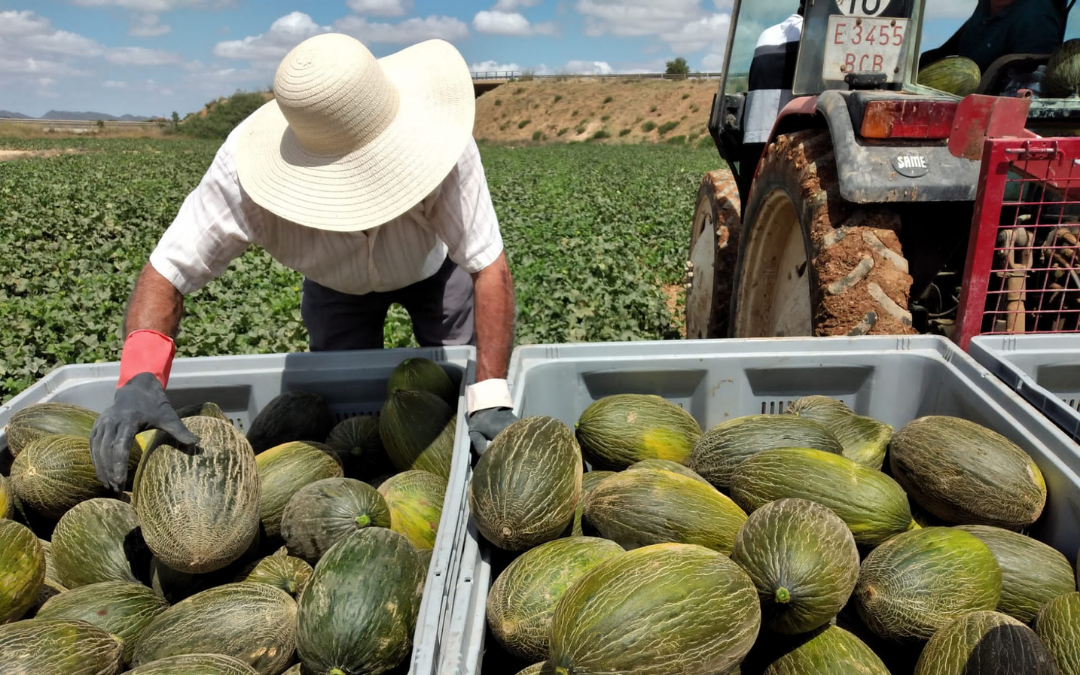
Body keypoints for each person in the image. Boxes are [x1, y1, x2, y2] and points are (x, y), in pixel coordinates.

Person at [88, 33, 519, 490]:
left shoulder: (441, 139)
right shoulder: (241, 176)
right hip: (335, 289)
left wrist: (490, 395)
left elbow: (489, 267)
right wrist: (140, 374)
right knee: (346, 407)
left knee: (457, 387)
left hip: (436, 273)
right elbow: (166, 273)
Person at [738, 2, 805, 205]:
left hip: (755, 141)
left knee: (751, 219)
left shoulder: (767, 34)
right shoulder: (814, 37)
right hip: (790, 143)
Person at [920, 0, 1064, 73]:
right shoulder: (987, 4)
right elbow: (974, 25)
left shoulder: (1036, 17)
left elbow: (1028, 85)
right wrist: (941, 52)